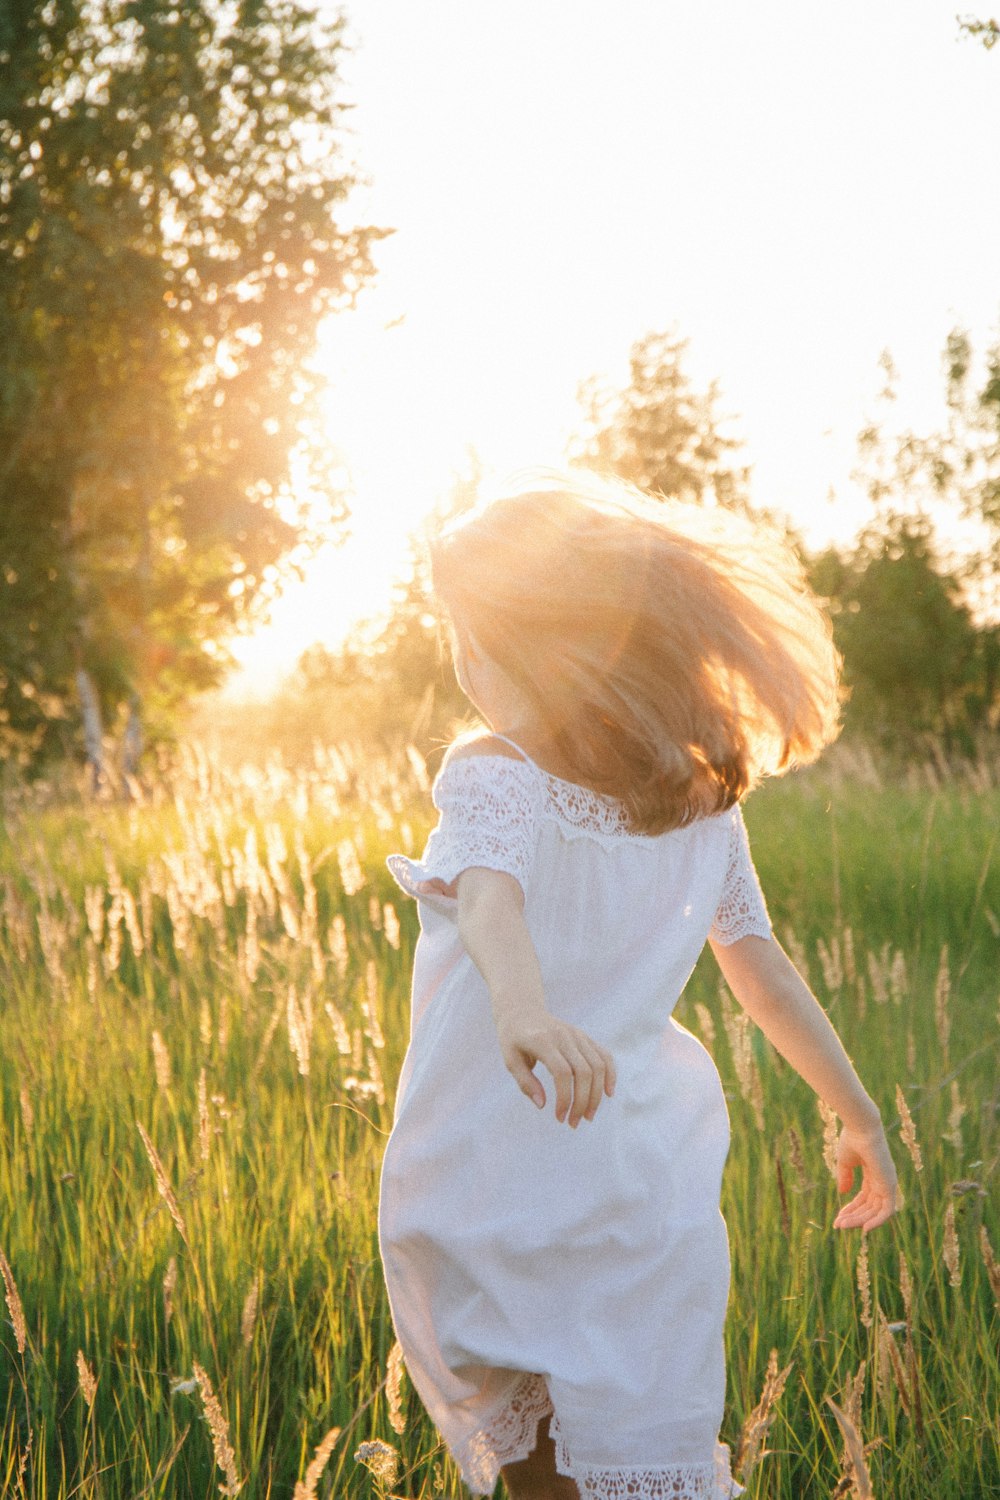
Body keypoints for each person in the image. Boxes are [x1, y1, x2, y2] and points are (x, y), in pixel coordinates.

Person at [379, 470, 899, 1500]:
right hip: (642, 1173)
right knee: (619, 1449)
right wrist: (857, 1114)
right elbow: (759, 969)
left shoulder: (497, 771)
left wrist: (522, 1014)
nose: (461, 658)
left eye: (467, 630)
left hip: (498, 1170)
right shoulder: (697, 792)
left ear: (543, 640)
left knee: (539, 1470)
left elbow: (491, 904)